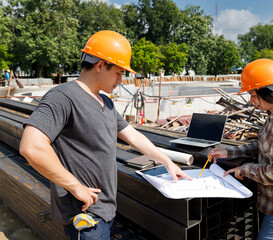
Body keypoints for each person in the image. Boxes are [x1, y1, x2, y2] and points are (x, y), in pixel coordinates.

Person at [19, 30, 191, 240]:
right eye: (119, 72)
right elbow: (32, 146)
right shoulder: (62, 97)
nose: (121, 79)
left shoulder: (105, 102)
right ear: (100, 65)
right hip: (84, 214)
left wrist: (166, 161)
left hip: (105, 210)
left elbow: (133, 135)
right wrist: (75, 186)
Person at [210, 59, 273, 240]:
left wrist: (244, 169)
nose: (251, 101)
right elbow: (261, 144)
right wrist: (229, 152)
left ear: (268, 92)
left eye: (254, 95)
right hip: (271, 202)